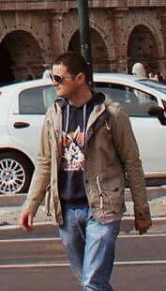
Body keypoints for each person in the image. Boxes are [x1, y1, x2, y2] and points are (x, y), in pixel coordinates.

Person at [19, 51, 152, 291]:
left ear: (80, 78)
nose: (54, 84)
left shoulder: (111, 114)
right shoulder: (55, 114)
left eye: (59, 78)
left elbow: (132, 163)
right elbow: (45, 162)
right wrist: (31, 204)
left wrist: (142, 211)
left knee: (92, 282)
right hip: (66, 209)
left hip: (101, 206)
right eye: (53, 77)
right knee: (91, 281)